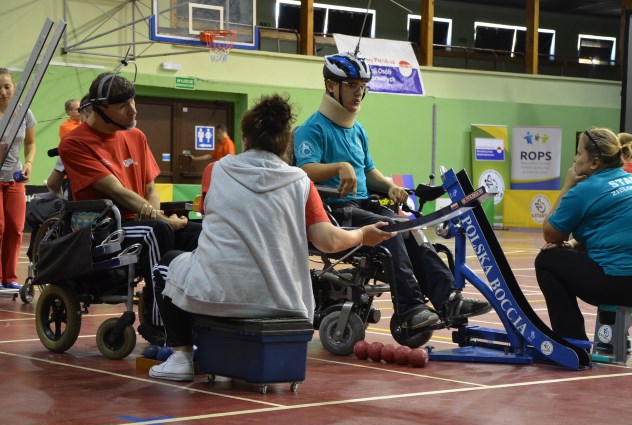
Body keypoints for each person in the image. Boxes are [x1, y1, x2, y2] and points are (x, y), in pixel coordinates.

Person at [148, 93, 395, 381]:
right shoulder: (301, 182)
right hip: (285, 305)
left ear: (245, 139)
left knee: (166, 264)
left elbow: (208, 214)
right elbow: (328, 241)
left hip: (217, 297)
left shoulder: (215, 171)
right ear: (285, 145)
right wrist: (364, 234)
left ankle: (181, 356)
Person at [293, 52, 491, 331]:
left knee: (411, 228)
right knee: (390, 229)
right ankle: (410, 309)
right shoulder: (312, 129)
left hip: (365, 204)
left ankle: (448, 300)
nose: (359, 92)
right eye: (352, 85)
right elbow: (304, 170)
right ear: (330, 86)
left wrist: (390, 187)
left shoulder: (358, 130)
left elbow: (369, 172)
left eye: (363, 86)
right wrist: (339, 167)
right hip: (336, 212)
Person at [58, 72, 201, 344]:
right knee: (155, 232)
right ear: (101, 109)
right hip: (105, 226)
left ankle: (196, 317)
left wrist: (159, 215)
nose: (133, 109)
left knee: (198, 232)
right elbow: (117, 191)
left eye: (133, 100)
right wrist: (161, 220)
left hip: (144, 219)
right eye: (123, 105)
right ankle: (162, 329)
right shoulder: (74, 143)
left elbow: (150, 189)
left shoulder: (136, 136)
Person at [535, 127, 632, 340]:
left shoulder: (583, 190)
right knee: (594, 255)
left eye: (579, 152)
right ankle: (611, 339)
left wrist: (567, 186)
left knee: (547, 259)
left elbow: (551, 235)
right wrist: (575, 244)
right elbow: (613, 232)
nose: (574, 158)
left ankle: (572, 341)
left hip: (620, 286)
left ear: (594, 162)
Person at [0, 67, 36, 290]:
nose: (3, 92)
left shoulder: (25, 113)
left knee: (15, 228)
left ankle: (9, 278)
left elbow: (31, 143)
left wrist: (29, 163)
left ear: (15, 87)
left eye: (7, 86)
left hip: (15, 178)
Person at [47, 95, 93, 198]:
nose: (80, 111)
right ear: (69, 111)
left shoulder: (82, 123)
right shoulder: (66, 126)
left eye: (82, 108)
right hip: (69, 174)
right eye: (78, 109)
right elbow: (81, 135)